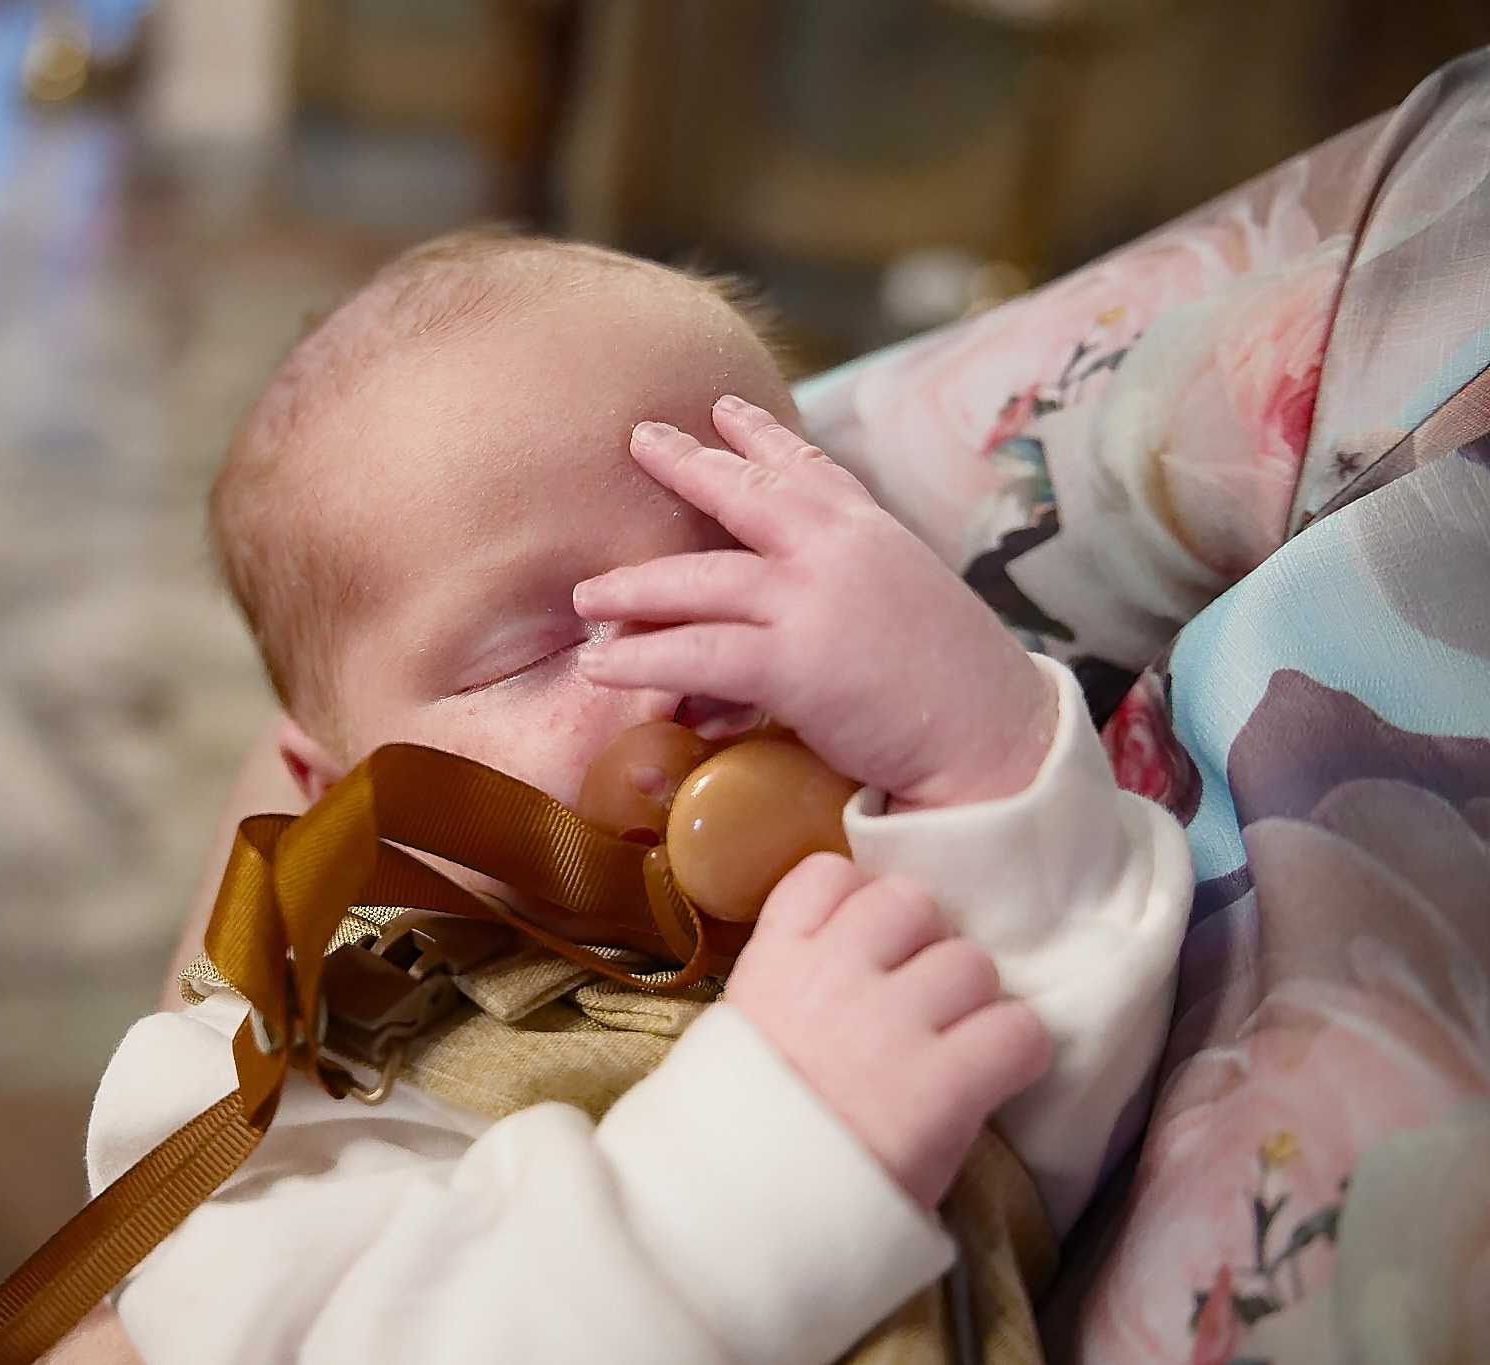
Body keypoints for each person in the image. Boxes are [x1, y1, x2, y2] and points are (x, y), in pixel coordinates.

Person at [80, 232, 1191, 1365]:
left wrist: (981, 749)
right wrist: (774, 1146)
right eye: (532, 648)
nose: (688, 662)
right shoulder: (263, 1080)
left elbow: (1068, 1094)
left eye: (741, 569)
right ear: (332, 792)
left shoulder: (893, 863)